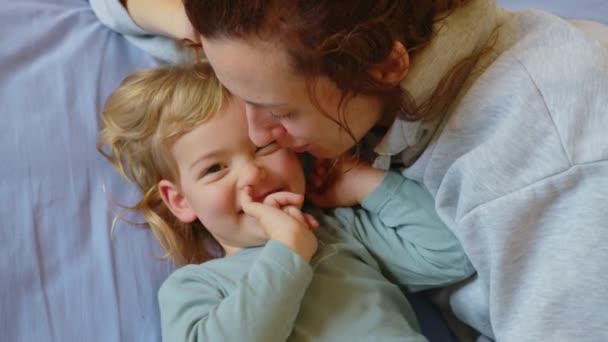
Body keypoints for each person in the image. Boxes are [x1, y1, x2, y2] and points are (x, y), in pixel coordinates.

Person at [91, 0, 608, 340]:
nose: (255, 136)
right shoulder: (298, 40)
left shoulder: (557, 169)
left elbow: (449, 254)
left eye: (278, 111)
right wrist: (208, 23)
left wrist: (362, 183)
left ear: (384, 68)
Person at [97, 63, 475, 341]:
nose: (251, 175)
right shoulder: (197, 286)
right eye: (214, 169)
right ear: (180, 201)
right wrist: (287, 253)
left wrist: (361, 182)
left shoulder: (338, 229)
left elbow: (452, 253)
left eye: (265, 147)